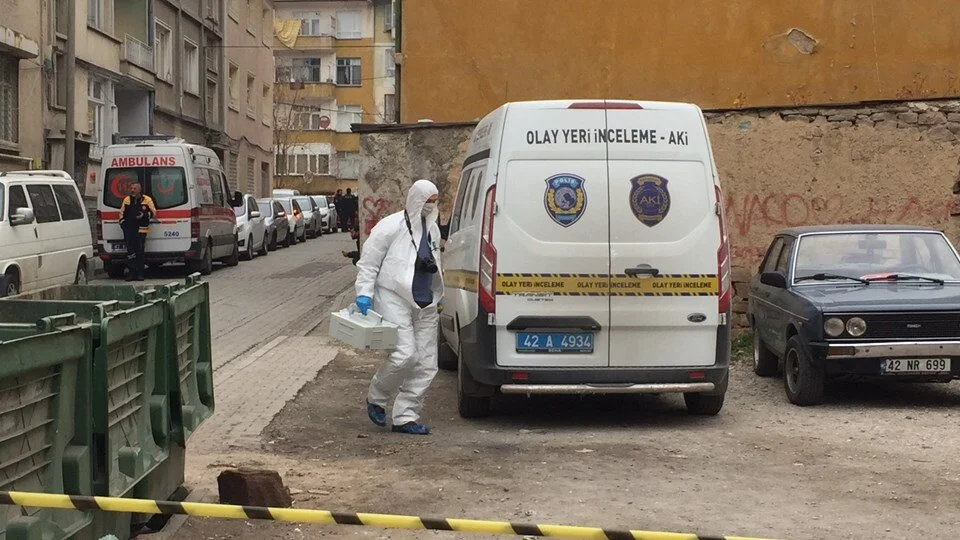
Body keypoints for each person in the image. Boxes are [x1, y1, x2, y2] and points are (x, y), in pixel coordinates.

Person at [355, 180, 443, 435]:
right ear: (416, 199)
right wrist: (364, 293)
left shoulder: (432, 230)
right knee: (406, 354)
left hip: (426, 302)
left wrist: (440, 292)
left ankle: (406, 416)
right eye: (427, 201)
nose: (430, 206)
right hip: (393, 296)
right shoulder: (390, 226)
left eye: (434, 202)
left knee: (426, 363)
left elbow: (436, 262)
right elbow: (369, 262)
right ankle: (377, 396)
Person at [118, 181, 156, 281]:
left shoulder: (147, 200)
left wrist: (143, 215)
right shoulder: (127, 199)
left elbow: (153, 212)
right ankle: (131, 273)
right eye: (131, 188)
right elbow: (121, 213)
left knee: (140, 251)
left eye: (134, 188)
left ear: (139, 189)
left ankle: (140, 273)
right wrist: (122, 223)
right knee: (130, 252)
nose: (132, 190)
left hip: (141, 229)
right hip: (129, 229)